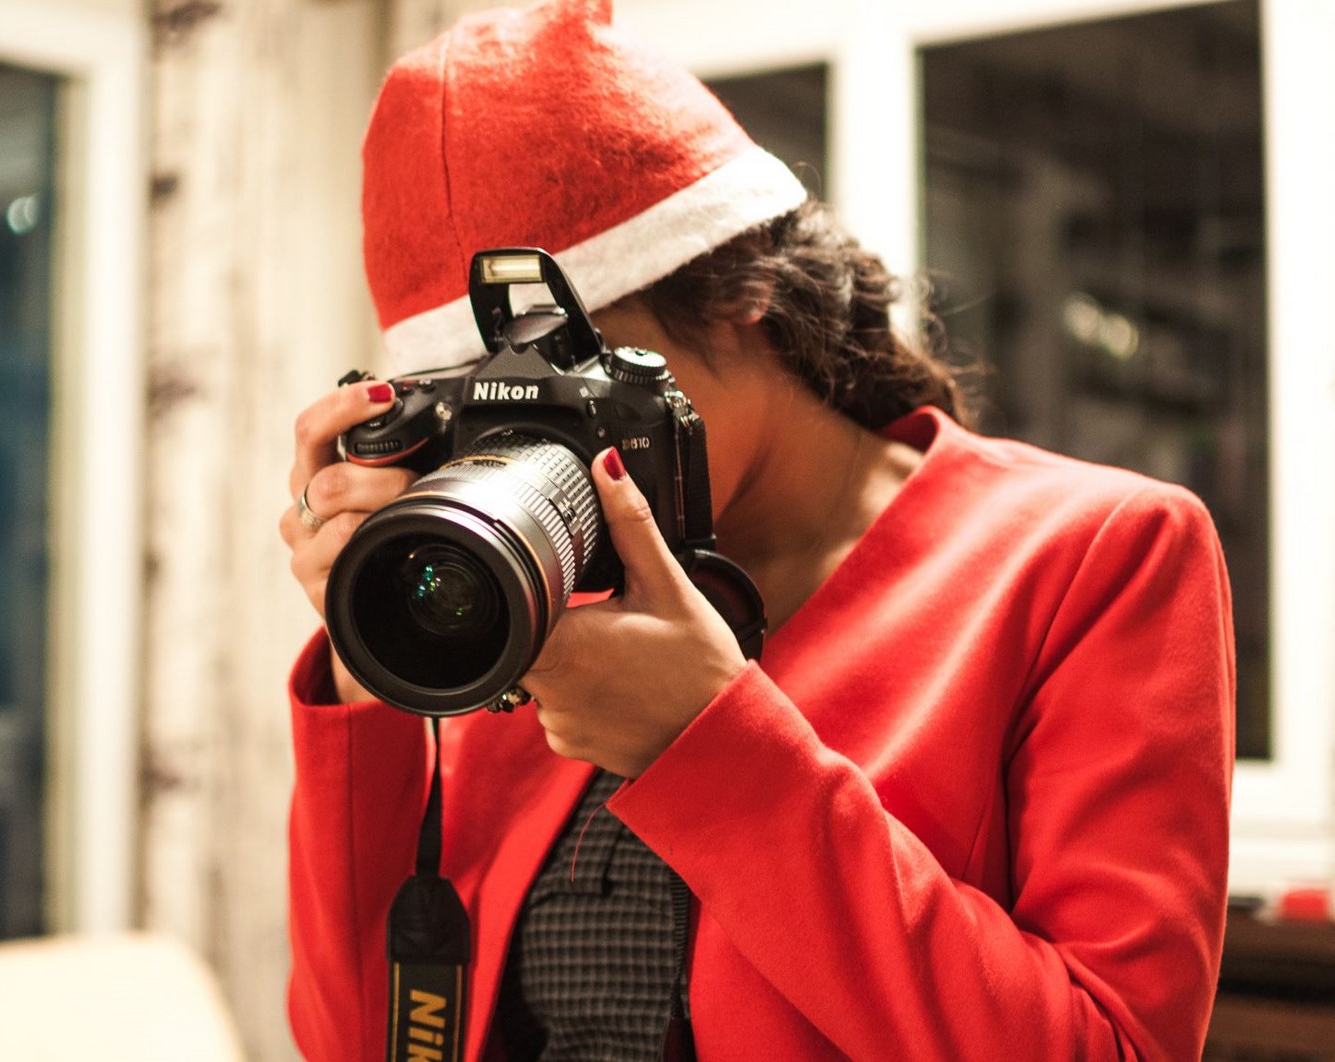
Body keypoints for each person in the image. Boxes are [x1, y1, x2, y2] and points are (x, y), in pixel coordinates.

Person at [278, 1, 1234, 1058]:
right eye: (480, 401)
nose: (528, 446)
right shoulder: (520, 580)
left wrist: (708, 747)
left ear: (742, 285)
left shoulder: (1093, 557)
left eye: (566, 375)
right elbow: (361, 1043)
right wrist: (375, 667)